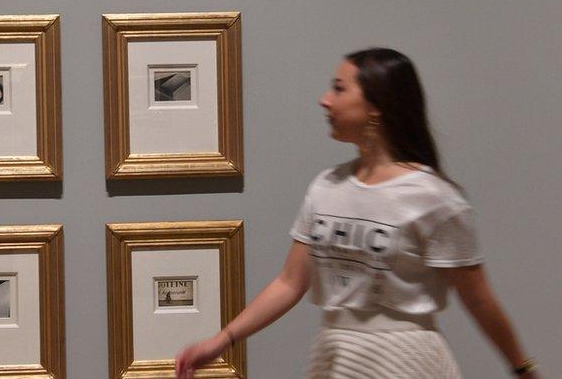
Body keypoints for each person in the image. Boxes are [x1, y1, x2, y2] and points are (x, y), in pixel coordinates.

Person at [174, 48, 539, 378]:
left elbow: (477, 298)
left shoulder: (434, 198)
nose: (325, 100)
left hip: (405, 360)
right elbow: (290, 282)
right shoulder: (327, 186)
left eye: (338, 89)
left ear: (377, 105)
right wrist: (223, 339)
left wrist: (522, 367)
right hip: (337, 352)